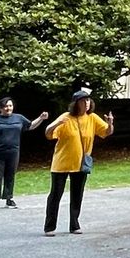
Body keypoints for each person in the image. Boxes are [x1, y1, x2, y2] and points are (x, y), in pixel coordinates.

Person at [43, 90, 113, 236]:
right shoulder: (66, 118)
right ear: (76, 103)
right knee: (55, 195)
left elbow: (106, 133)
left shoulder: (92, 118)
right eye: (83, 101)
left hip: (81, 164)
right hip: (61, 163)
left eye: (88, 101)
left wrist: (110, 124)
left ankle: (74, 225)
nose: (87, 103)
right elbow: (49, 135)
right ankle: (49, 227)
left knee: (77, 195)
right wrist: (55, 123)